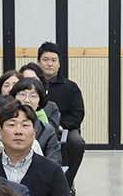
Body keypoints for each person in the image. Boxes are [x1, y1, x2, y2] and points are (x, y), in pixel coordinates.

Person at [34, 42, 87, 174]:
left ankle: (68, 180)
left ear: (59, 63)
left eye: (53, 60)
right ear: (38, 62)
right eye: (45, 60)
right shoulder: (31, 85)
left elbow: (78, 113)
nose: (49, 64)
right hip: (35, 126)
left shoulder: (70, 87)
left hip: (64, 128)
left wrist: (61, 126)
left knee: (76, 142)